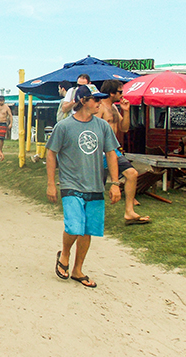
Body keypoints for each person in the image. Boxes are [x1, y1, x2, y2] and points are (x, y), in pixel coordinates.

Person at [46, 85, 121, 288]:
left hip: (95, 184)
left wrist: (115, 184)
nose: (99, 103)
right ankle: (65, 253)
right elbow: (51, 152)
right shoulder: (64, 127)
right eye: (95, 99)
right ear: (82, 101)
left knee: (88, 229)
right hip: (71, 183)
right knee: (74, 226)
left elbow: (112, 153)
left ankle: (78, 269)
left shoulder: (102, 126)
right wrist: (52, 183)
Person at [97, 80, 150, 225]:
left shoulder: (114, 107)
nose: (122, 95)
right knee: (97, 186)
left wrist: (126, 111)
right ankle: (91, 216)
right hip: (101, 151)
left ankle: (129, 212)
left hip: (113, 149)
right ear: (111, 93)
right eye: (120, 92)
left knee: (132, 173)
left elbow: (124, 128)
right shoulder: (100, 107)